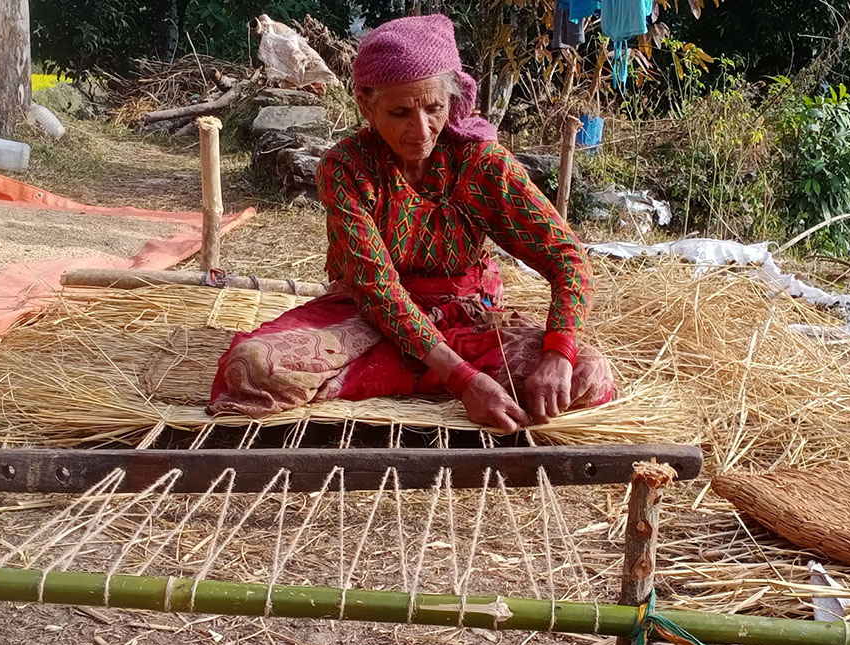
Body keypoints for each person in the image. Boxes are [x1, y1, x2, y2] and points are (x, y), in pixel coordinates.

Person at [208, 14, 615, 432]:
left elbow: (566, 256)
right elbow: (377, 290)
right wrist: (463, 379)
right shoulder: (346, 167)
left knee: (586, 375)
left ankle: (389, 375)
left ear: (452, 99)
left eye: (434, 108)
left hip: (469, 319)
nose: (420, 131)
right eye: (399, 112)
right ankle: (433, 373)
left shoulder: (481, 163)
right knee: (252, 367)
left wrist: (558, 354)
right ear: (366, 104)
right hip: (367, 320)